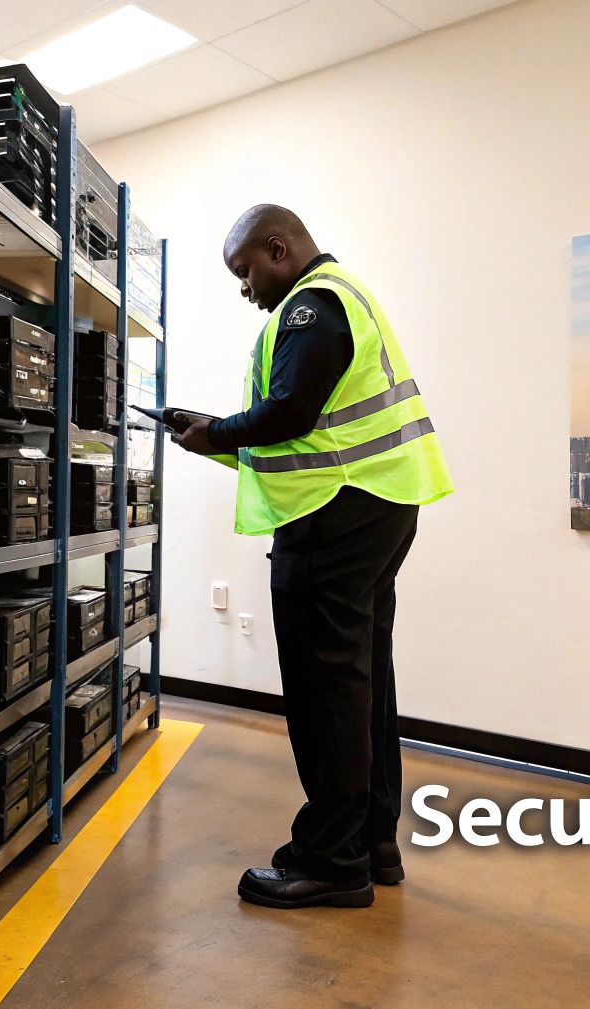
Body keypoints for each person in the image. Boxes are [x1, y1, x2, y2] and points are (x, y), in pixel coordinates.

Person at [173, 205, 453, 909]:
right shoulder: (345, 300)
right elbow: (306, 425)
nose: (245, 289)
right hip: (376, 507)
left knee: (327, 688)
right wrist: (216, 432)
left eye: (246, 272)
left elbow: (292, 412)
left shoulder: (311, 307)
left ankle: (330, 859)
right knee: (361, 681)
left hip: (334, 517)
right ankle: (371, 843)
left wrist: (217, 434)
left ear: (278, 248)